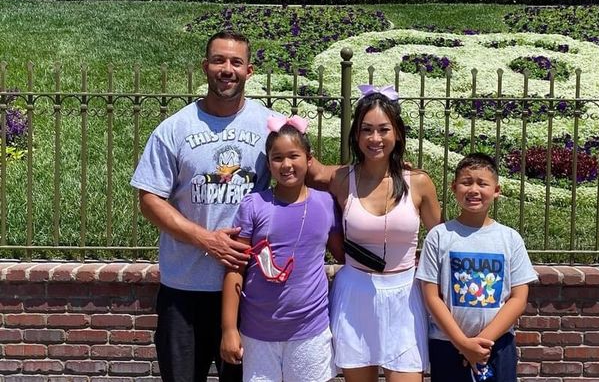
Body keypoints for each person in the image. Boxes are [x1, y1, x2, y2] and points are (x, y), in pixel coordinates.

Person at [130, 30, 279, 381]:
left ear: (249, 71)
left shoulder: (269, 127)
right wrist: (207, 240)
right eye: (218, 60)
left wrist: (384, 170)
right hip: (184, 289)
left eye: (236, 62)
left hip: (246, 289)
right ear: (205, 66)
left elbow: (307, 174)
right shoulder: (174, 128)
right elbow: (149, 200)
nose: (227, 69)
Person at [308, 84, 442, 382]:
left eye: (384, 129)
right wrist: (287, 126)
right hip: (355, 294)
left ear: (398, 133)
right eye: (366, 130)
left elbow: (441, 242)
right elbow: (303, 166)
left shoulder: (419, 182)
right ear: (356, 135)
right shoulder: (342, 178)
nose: (375, 138)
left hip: (405, 295)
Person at [220, 115, 344, 382]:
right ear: (268, 164)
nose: (286, 164)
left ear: (309, 159)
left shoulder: (325, 203)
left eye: (294, 156)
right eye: (277, 158)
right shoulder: (254, 205)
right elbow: (235, 267)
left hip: (310, 331)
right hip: (258, 332)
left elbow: (344, 255)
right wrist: (229, 328)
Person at [415, 152, 538, 382]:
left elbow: (518, 298)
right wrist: (463, 343)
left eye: (482, 184)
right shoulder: (439, 236)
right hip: (448, 344)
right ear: (454, 188)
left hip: (497, 345)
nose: (474, 190)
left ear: (496, 190)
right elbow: (431, 296)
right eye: (466, 182)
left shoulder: (510, 238)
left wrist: (482, 343)